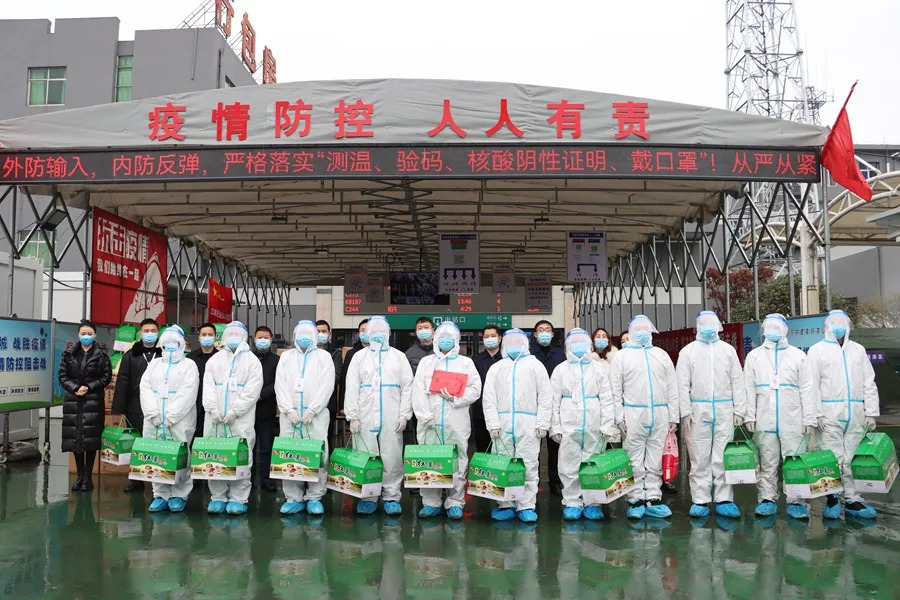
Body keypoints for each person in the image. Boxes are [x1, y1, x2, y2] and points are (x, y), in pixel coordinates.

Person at [808, 310, 880, 520]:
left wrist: (871, 412)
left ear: (848, 326)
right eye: (834, 323)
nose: (838, 327)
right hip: (829, 414)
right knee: (832, 459)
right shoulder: (817, 350)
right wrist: (816, 413)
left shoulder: (858, 350)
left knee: (851, 459)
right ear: (827, 327)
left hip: (855, 413)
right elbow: (811, 385)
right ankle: (831, 498)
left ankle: (852, 500)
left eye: (842, 323)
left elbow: (868, 381)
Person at [743, 313, 816, 520]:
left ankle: (796, 500)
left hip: (793, 418)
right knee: (767, 460)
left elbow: (808, 389)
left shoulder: (798, 356)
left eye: (777, 327)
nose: (773, 331)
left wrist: (809, 418)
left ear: (785, 330)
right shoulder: (754, 356)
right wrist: (749, 415)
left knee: (794, 460)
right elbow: (748, 388)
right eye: (770, 327)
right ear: (764, 330)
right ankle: (767, 499)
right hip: (764, 418)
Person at [676, 311, 747, 519]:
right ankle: (700, 499)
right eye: (704, 323)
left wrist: (739, 410)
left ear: (718, 326)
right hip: (698, 410)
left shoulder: (728, 351)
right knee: (699, 457)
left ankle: (724, 499)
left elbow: (737, 381)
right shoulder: (688, 352)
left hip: (724, 409)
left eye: (711, 323)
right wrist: (685, 411)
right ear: (698, 326)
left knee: (723, 456)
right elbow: (682, 384)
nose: (708, 327)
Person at [610, 315, 679, 520]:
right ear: (631, 332)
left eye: (645, 329)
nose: (642, 333)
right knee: (634, 460)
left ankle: (654, 498)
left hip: (659, 413)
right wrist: (619, 417)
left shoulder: (661, 355)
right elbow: (615, 390)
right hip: (633, 414)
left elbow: (672, 388)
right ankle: (635, 499)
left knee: (655, 460)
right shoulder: (621, 357)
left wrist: (673, 416)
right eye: (638, 329)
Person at [344, 315, 414, 515]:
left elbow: (408, 387)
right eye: (373, 332)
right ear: (366, 334)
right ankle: (368, 496)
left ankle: (391, 496)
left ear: (388, 334)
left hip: (392, 415)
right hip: (364, 415)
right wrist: (352, 416)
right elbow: (351, 387)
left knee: (391, 456)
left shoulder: (399, 357)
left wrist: (404, 415)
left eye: (381, 332)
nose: (377, 335)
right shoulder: (359, 357)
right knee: (366, 455)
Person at [412, 321, 482, 519]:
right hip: (430, 422)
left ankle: (455, 502)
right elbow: (417, 392)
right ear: (435, 339)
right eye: (441, 337)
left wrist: (455, 398)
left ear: (456, 340)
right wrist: (425, 416)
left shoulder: (465, 363)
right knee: (430, 461)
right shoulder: (426, 363)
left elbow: (476, 389)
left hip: (456, 421)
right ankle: (431, 502)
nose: (445, 340)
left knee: (458, 460)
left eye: (449, 337)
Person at [482, 328, 553, 523]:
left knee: (528, 465)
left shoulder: (535, 365)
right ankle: (505, 504)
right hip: (502, 424)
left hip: (529, 424)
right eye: (510, 341)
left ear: (525, 343)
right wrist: (492, 423)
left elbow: (545, 396)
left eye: (517, 341)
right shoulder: (497, 368)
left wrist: (542, 422)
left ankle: (526, 506)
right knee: (503, 464)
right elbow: (489, 398)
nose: (514, 345)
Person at [550, 328, 616, 521]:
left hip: (594, 425)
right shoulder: (560, 369)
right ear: (568, 346)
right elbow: (553, 400)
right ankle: (572, 502)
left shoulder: (598, 368)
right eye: (574, 343)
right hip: (568, 424)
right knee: (568, 465)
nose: (578, 346)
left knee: (592, 465)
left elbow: (607, 399)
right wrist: (555, 426)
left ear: (589, 345)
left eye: (582, 342)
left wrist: (607, 425)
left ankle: (592, 502)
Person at [275, 320, 336, 515]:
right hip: (289, 417)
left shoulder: (324, 357)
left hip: (315, 416)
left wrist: (313, 410)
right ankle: (293, 497)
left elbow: (327, 385)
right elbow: (280, 385)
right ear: (295, 336)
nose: (304, 338)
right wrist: (288, 410)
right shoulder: (286, 357)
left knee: (318, 454)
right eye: (301, 334)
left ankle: (315, 497)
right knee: (290, 454)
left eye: (308, 334)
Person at [202, 321, 263, 515]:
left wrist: (235, 411)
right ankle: (218, 496)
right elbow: (208, 387)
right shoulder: (215, 360)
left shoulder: (252, 361)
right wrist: (212, 409)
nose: (233, 337)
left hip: (240, 419)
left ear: (244, 337)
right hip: (215, 419)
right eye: (230, 334)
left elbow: (252, 390)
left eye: (238, 334)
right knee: (215, 456)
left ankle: (239, 497)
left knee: (241, 455)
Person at [139, 325, 200, 513]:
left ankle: (179, 495)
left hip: (180, 420)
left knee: (180, 455)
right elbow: (145, 388)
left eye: (175, 342)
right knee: (156, 455)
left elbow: (188, 392)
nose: (170, 345)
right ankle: (160, 495)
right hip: (154, 420)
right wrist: (152, 413)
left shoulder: (189, 365)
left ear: (181, 344)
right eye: (167, 342)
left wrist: (172, 416)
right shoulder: (154, 364)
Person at [59, 320, 112, 493]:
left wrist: (89, 387)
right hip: (73, 401)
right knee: (75, 439)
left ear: (95, 335)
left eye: (89, 333)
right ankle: (79, 476)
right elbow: (62, 376)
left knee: (90, 440)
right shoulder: (69, 355)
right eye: (83, 333)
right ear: (78, 335)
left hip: (92, 401)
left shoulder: (101, 356)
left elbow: (106, 377)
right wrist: (75, 388)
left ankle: (88, 477)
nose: (86, 336)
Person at [111, 318, 162, 493]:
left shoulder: (163, 353)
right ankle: (136, 480)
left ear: (158, 333)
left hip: (159, 406)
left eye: (153, 331)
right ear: (140, 334)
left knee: (156, 442)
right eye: (146, 331)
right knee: (136, 443)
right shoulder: (130, 355)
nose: (150, 334)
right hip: (135, 406)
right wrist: (120, 408)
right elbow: (123, 382)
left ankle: (158, 478)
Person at [530, 320, 566, 496]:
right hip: (534, 405)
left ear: (552, 334)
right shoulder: (529, 354)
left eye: (548, 330)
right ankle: (533, 482)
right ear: (535, 334)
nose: (544, 333)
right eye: (540, 330)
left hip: (555, 405)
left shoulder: (560, 354)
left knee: (555, 446)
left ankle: (555, 481)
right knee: (533, 446)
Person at [252, 326, 280, 493]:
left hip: (267, 409)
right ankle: (248, 478)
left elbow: (278, 382)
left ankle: (266, 479)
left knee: (266, 447)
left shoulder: (277, 360)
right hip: (247, 409)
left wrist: (261, 395)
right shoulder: (248, 358)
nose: (262, 340)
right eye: (259, 337)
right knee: (249, 447)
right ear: (254, 339)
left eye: (266, 337)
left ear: (271, 339)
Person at [472, 324, 504, 453]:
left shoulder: (506, 359)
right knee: (483, 448)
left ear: (500, 338)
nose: (490, 339)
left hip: (503, 410)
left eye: (493, 336)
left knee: (502, 448)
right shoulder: (475, 360)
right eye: (486, 336)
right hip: (480, 411)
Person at [187, 323, 218, 441]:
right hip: (195, 404)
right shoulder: (190, 358)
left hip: (215, 405)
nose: (207, 337)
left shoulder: (221, 357)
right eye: (204, 334)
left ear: (215, 337)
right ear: (199, 337)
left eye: (210, 334)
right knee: (195, 439)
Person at [316, 320, 344, 436]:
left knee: (326, 436)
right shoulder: (306, 352)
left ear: (329, 334)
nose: (320, 334)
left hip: (328, 402)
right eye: (317, 331)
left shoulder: (335, 353)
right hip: (308, 401)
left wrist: (315, 383)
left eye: (324, 331)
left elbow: (337, 376)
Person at [339, 319, 369, 424]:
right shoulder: (351, 354)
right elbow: (344, 380)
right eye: (363, 330)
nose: (365, 333)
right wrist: (343, 405)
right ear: (358, 333)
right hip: (356, 399)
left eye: (368, 330)